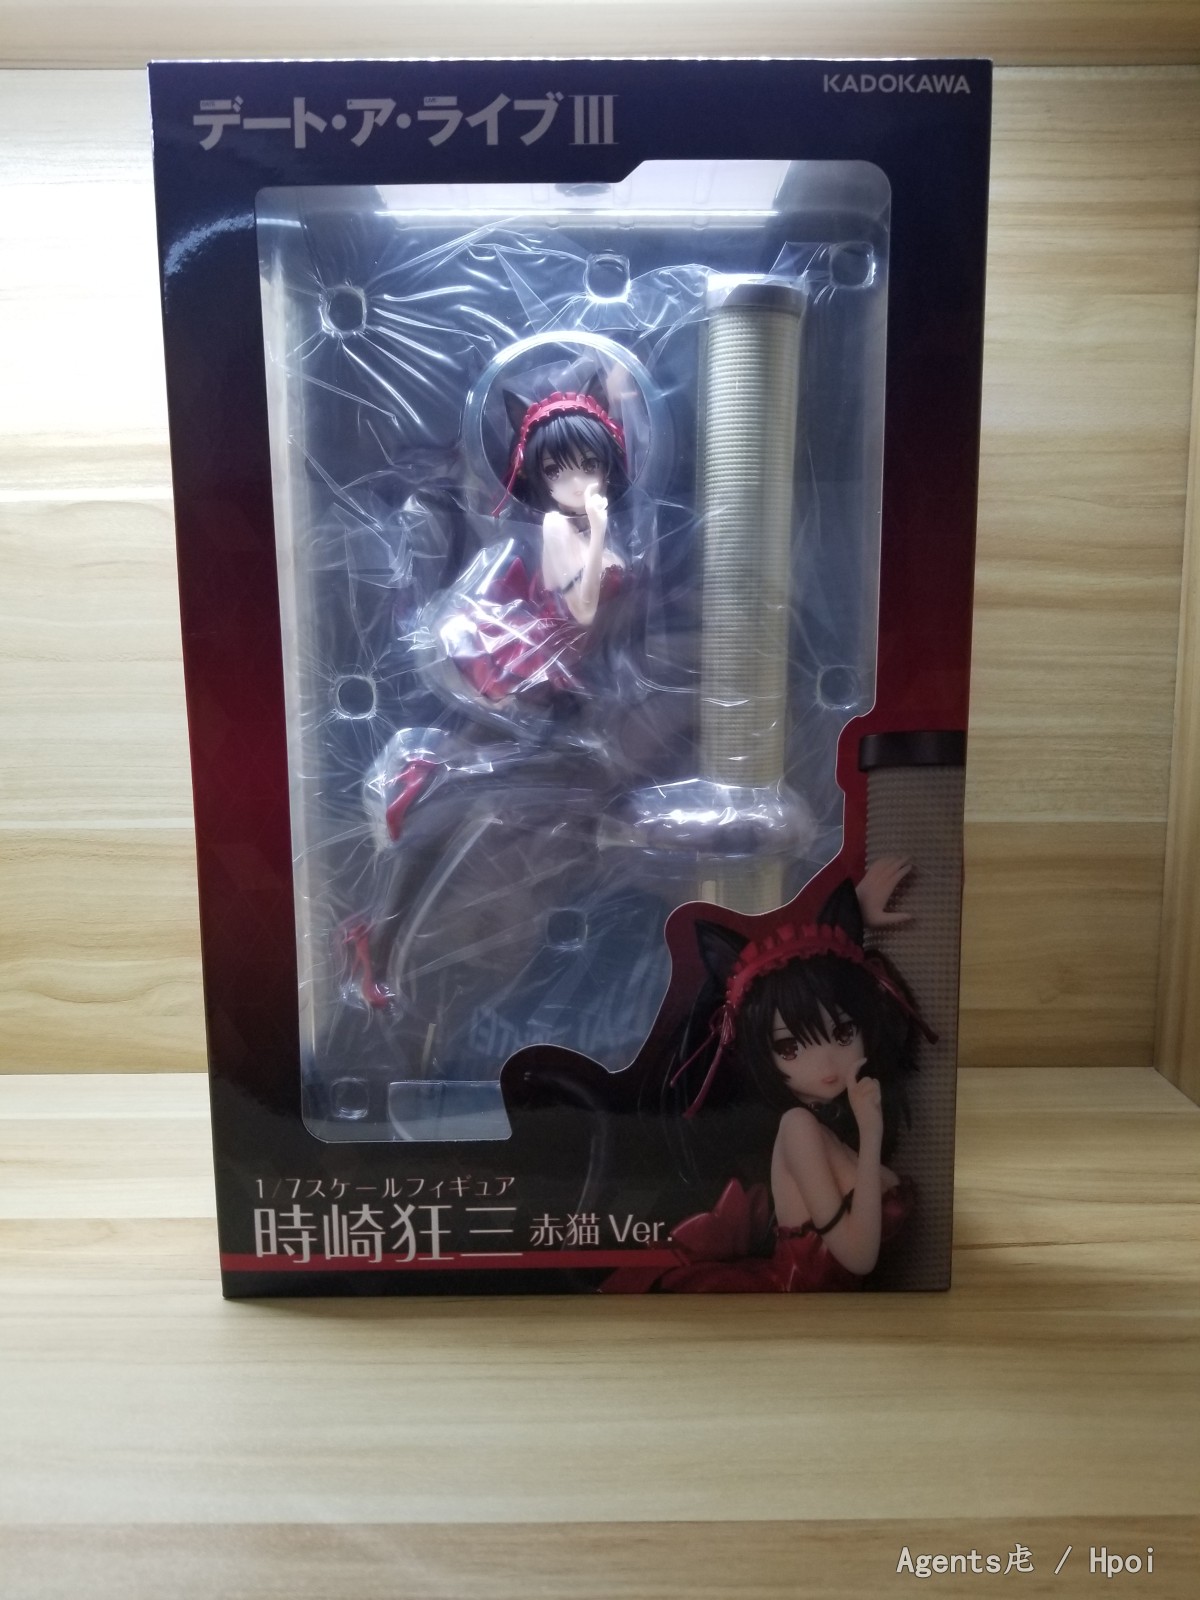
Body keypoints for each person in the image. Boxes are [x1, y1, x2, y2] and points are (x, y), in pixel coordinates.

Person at [607, 859, 929, 1292]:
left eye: (843, 1034)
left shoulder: (826, 1127)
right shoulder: (798, 1128)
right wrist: (871, 1134)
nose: (826, 1066)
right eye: (790, 1048)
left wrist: (853, 924)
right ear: (763, 1055)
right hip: (806, 1311)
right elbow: (859, 1257)